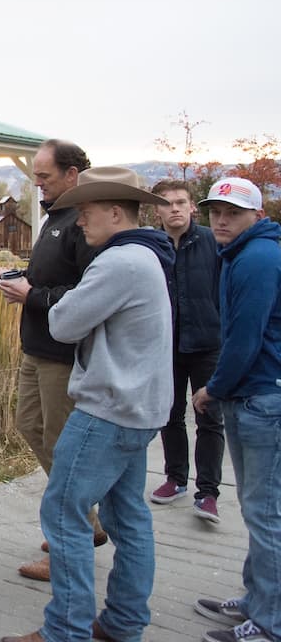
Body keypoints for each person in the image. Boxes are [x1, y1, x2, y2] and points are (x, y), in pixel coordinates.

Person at [0, 167, 173, 642]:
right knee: (127, 517)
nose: (79, 221)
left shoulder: (118, 263)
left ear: (116, 212)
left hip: (108, 409)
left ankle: (65, 630)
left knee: (63, 512)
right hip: (139, 408)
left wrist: (52, 302)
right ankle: (121, 623)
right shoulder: (148, 256)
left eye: (88, 211)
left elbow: (64, 323)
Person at [0, 139, 104, 582]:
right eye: (35, 176)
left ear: (72, 175)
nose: (36, 183)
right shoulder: (54, 217)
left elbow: (90, 294)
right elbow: (53, 278)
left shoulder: (82, 222)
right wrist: (22, 280)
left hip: (62, 353)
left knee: (60, 445)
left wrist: (33, 295)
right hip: (35, 345)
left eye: (44, 176)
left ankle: (66, 545)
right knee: (28, 424)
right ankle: (85, 523)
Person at [191, 177, 280, 642]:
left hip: (263, 397)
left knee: (266, 512)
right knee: (257, 507)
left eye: (233, 212)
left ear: (256, 217)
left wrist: (212, 388)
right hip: (254, 395)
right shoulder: (242, 254)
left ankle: (270, 622)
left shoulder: (258, 258)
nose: (221, 220)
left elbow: (245, 338)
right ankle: (257, 598)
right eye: (215, 211)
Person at [148, 179, 224, 522]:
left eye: (180, 202)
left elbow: (226, 290)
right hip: (168, 345)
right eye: (167, 203)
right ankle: (175, 478)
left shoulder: (211, 241)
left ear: (192, 206)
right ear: (157, 210)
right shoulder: (153, 246)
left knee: (209, 419)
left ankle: (207, 492)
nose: (174, 209)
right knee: (170, 414)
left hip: (208, 344)